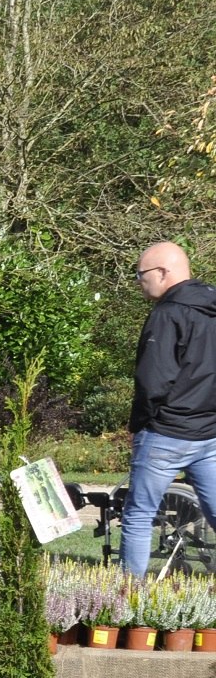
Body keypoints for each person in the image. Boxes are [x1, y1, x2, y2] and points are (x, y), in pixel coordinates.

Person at [122, 241, 216, 577]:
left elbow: (152, 381)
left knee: (138, 515)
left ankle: (128, 599)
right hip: (209, 436)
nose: (138, 281)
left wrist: (141, 424)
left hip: (166, 434)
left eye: (141, 273)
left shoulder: (167, 314)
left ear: (163, 272)